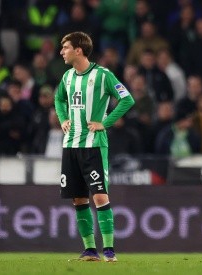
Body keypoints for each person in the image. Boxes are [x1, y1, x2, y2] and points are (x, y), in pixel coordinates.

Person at [54, 32, 135, 262]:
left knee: (99, 196)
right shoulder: (67, 77)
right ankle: (90, 250)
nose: (62, 52)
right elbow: (59, 99)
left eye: (66, 47)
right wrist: (62, 118)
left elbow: (127, 99)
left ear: (78, 50)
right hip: (70, 145)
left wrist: (105, 123)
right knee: (78, 199)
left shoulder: (103, 75)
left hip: (94, 146)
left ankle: (109, 250)